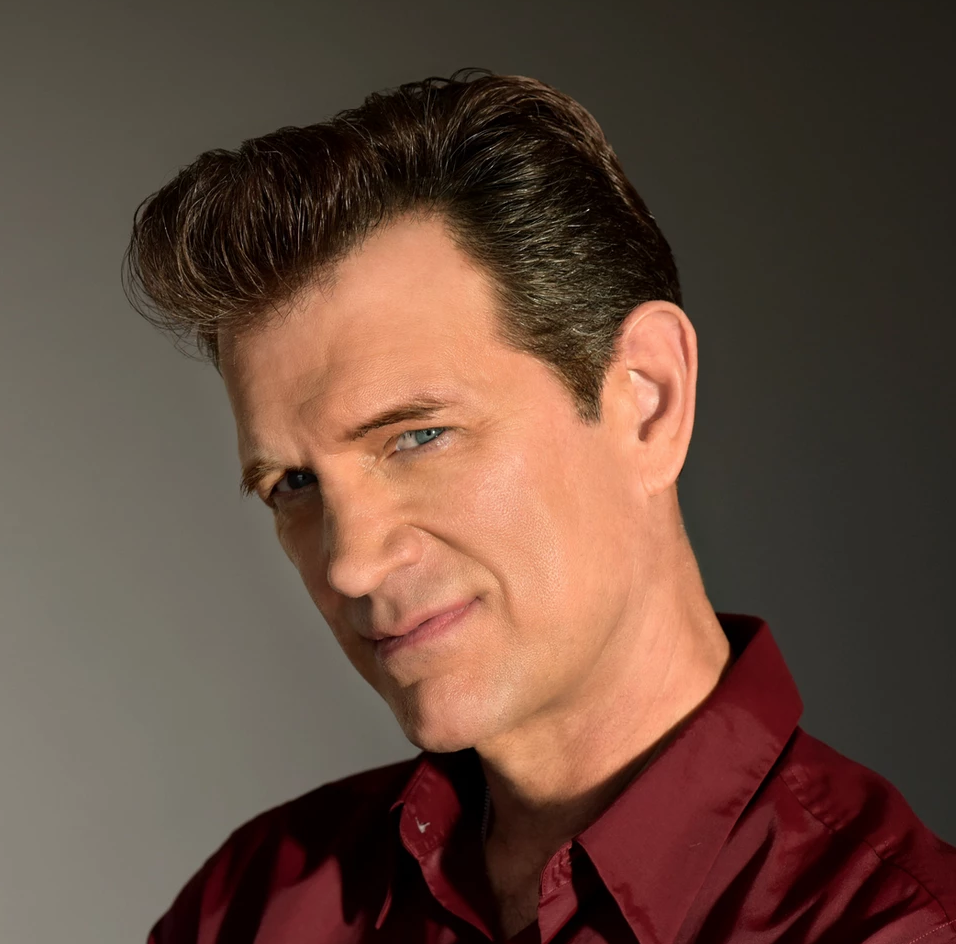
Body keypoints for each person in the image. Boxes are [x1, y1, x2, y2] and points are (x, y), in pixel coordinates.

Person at [125, 70, 956, 944]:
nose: (352, 564)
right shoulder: (251, 910)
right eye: (293, 485)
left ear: (649, 401)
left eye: (419, 436)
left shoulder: (899, 928)